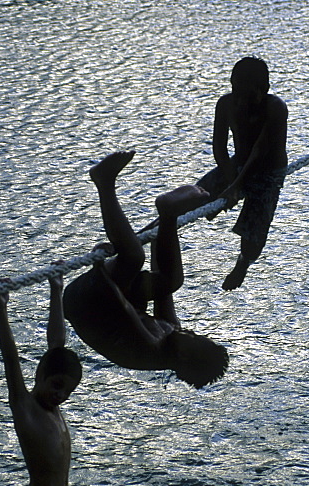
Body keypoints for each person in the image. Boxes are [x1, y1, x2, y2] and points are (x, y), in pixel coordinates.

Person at [63, 151, 229, 388]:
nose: (191, 331)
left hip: (86, 302)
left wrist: (99, 266)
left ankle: (104, 182)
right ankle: (168, 213)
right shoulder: (172, 333)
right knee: (172, 281)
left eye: (193, 338)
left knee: (132, 257)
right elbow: (163, 286)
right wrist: (164, 230)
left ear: (183, 357)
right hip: (112, 299)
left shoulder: (148, 348)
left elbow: (121, 307)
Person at [0, 272, 101, 486]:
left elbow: (57, 344)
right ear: (39, 375)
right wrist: (1, 307)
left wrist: (56, 288)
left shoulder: (55, 407)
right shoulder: (26, 408)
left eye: (68, 392)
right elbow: (11, 359)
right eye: (56, 386)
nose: (61, 396)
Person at [196, 57, 289, 290]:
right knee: (193, 197)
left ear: (263, 90)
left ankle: (243, 263)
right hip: (238, 164)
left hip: (268, 171)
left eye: (246, 94)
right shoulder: (225, 104)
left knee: (254, 236)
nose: (239, 99)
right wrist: (230, 181)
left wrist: (236, 186)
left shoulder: (275, 108)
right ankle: (148, 233)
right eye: (235, 91)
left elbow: (259, 151)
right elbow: (220, 147)